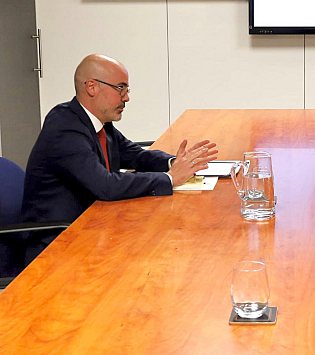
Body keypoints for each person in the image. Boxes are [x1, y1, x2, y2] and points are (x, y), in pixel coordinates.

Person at [22, 54, 218, 261]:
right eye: (120, 88)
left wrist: (174, 163)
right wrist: (170, 179)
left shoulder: (98, 122)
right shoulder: (65, 128)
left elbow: (134, 155)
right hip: (58, 243)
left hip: (94, 226)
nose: (126, 97)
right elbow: (105, 185)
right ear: (92, 87)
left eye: (127, 89)